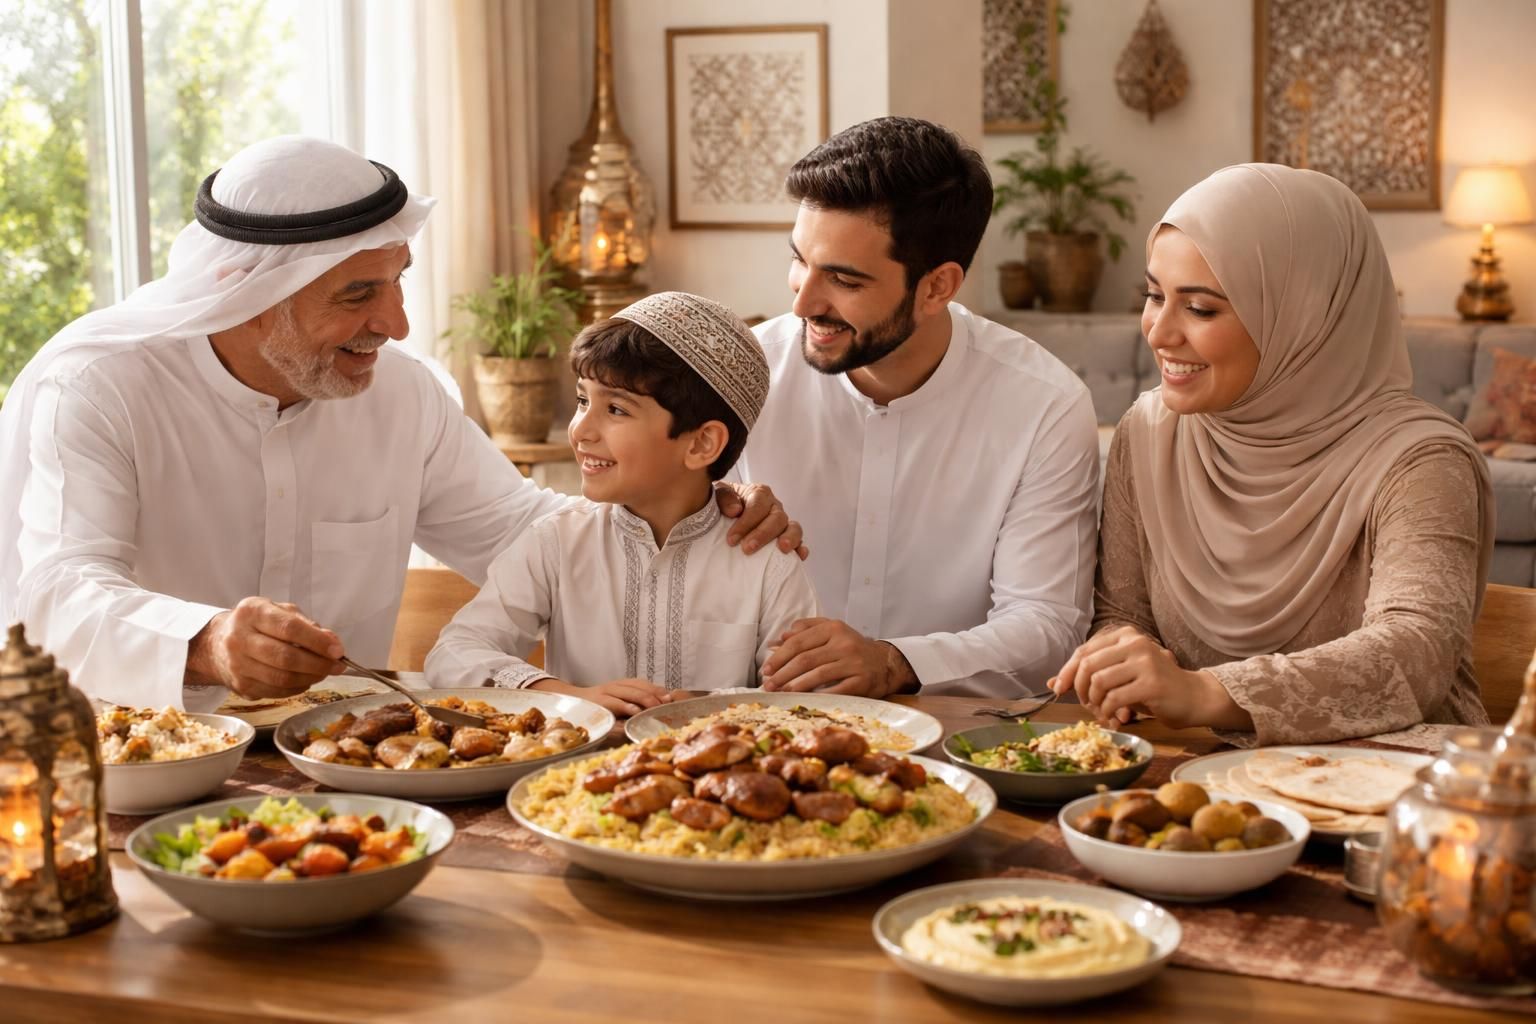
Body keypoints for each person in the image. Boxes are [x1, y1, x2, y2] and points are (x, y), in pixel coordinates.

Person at [0, 136, 799, 711]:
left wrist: (701, 504)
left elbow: (528, 533)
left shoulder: (403, 396)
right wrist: (205, 642)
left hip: (355, 771)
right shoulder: (100, 391)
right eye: (357, 294)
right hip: (146, 769)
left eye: (397, 282)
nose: (397, 324)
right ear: (246, 294)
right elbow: (56, 594)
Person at [1051, 163, 1495, 745]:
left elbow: (1418, 651)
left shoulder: (1420, 460)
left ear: (1303, 315)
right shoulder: (1150, 431)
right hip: (1202, 781)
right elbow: (1123, 616)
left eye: (1201, 308)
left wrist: (1206, 693)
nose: (1159, 332)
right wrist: (1121, 656)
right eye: (1154, 295)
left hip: (1408, 802)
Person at [736, 116, 1101, 699]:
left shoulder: (1044, 406)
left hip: (958, 748)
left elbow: (1047, 629)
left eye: (844, 280)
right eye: (800, 260)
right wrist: (699, 513)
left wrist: (895, 662)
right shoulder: (744, 371)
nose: (803, 300)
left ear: (937, 288)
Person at [426, 292, 819, 717]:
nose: (581, 430)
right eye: (582, 401)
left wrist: (712, 706)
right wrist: (561, 694)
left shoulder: (768, 561)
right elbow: (454, 653)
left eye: (615, 408)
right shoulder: (556, 541)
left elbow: (798, 698)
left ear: (702, 443)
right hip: (568, 779)